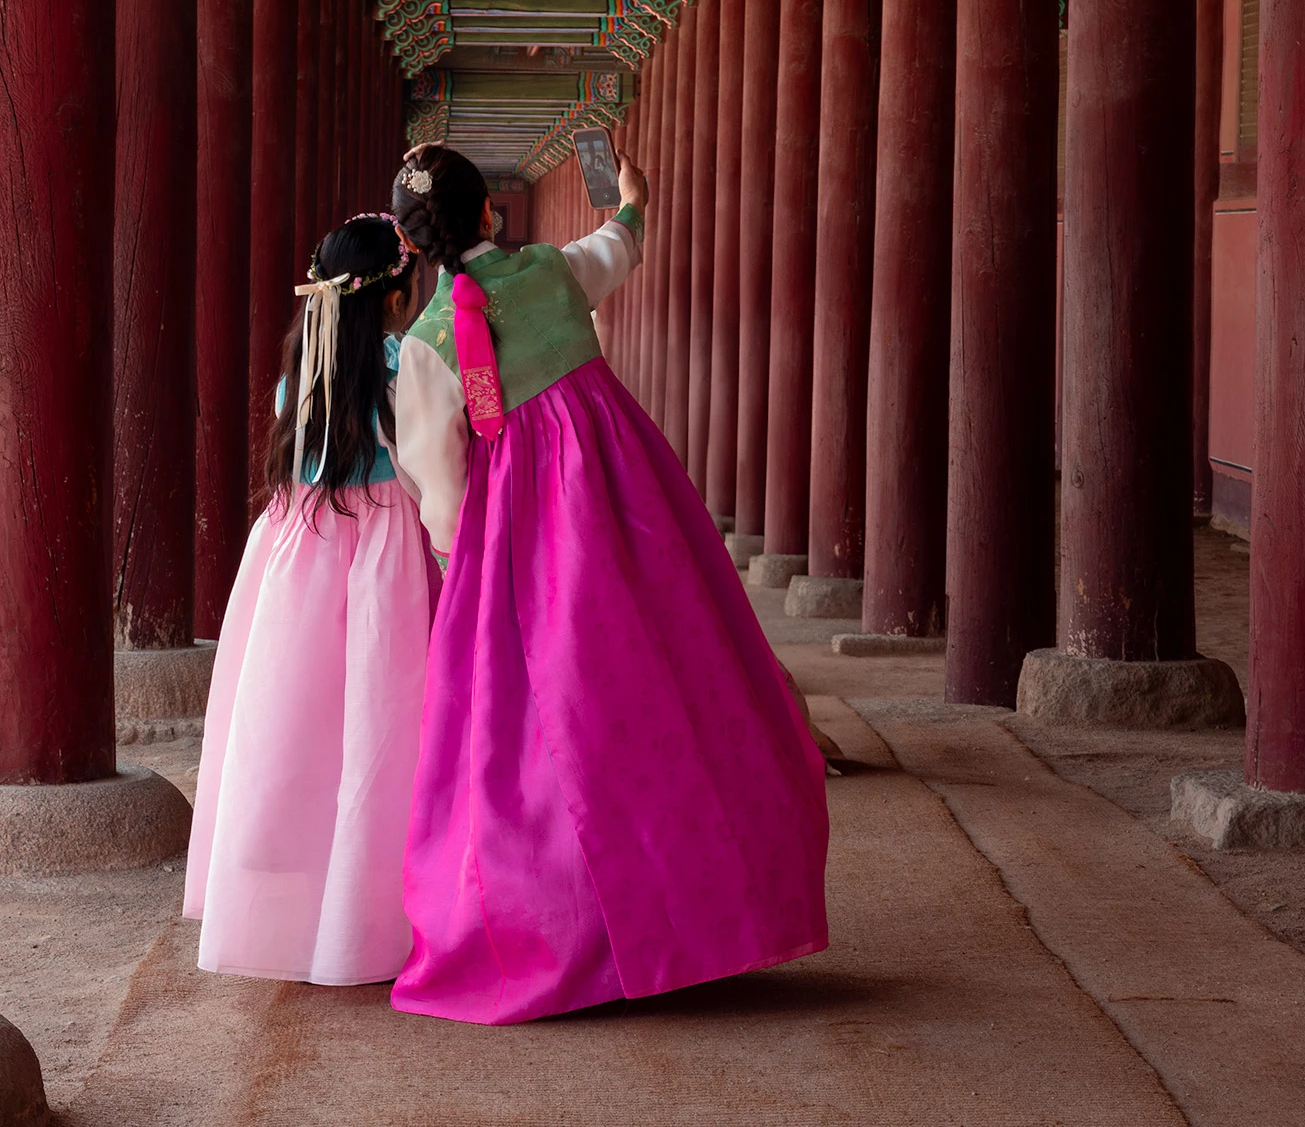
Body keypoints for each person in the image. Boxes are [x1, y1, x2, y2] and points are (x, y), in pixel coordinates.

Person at [388, 141, 830, 1025]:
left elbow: (438, 486)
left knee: (539, 730)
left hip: (517, 534)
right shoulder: (553, 274)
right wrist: (634, 197)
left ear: (412, 246)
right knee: (667, 691)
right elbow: (615, 246)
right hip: (627, 510)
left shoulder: (428, 348)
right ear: (489, 215)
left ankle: (563, 926)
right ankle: (703, 905)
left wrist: (456, 561)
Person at [183, 213, 436, 986]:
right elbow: (430, 475)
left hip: (296, 561)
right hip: (384, 568)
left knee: (297, 743)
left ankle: (295, 920)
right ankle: (371, 924)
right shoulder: (408, 374)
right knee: (379, 745)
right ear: (397, 299)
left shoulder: (302, 377)